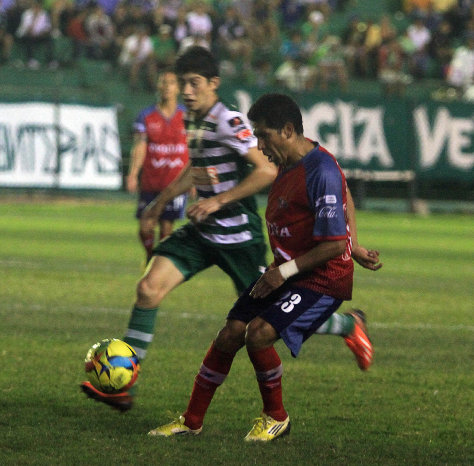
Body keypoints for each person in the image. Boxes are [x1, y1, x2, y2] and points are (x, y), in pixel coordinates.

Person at [148, 93, 381, 441]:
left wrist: (333, 252)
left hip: (321, 278)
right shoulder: (292, 160)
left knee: (258, 334)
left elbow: (332, 244)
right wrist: (356, 243)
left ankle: (276, 416)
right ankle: (191, 420)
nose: (259, 145)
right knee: (230, 333)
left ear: (287, 130)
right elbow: (343, 194)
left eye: (264, 136)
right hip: (288, 268)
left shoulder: (320, 168)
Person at [80, 46, 278, 410]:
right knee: (148, 288)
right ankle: (123, 383)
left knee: (271, 319)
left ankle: (346, 326)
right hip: (202, 233)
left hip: (237, 238)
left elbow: (267, 170)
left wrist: (218, 200)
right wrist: (158, 204)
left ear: (213, 84)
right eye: (183, 83)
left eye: (194, 83)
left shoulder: (228, 121)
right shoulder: (192, 118)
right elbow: (195, 169)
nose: (187, 91)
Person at [126, 69, 189, 264]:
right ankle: (149, 256)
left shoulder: (187, 116)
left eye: (170, 82)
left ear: (178, 88)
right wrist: (133, 173)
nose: (166, 87)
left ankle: (159, 263)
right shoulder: (146, 116)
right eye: (163, 82)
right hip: (151, 181)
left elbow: (193, 149)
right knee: (145, 225)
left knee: (166, 226)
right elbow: (140, 146)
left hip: (176, 182)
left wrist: (193, 179)